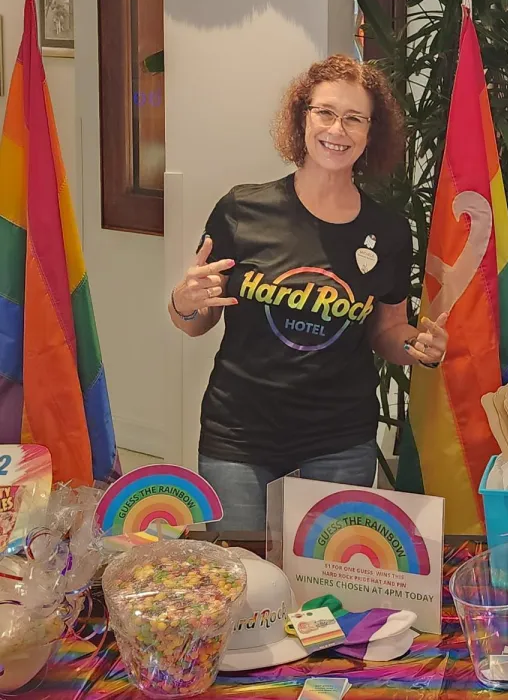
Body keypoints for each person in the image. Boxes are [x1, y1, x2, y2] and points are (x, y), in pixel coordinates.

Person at [167, 55, 449, 530]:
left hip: (339, 437)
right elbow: (196, 322)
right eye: (325, 112)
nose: (337, 129)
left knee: (333, 586)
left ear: (370, 132)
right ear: (302, 118)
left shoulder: (389, 231)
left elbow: (388, 330)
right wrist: (183, 302)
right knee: (243, 582)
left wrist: (417, 347)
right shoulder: (243, 209)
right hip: (238, 432)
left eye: (354, 118)